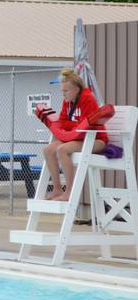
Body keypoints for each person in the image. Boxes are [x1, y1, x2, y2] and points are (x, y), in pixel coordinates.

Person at [43, 69, 108, 201]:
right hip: (77, 137)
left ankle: (69, 191)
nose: (63, 94)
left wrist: (72, 127)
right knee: (48, 149)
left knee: (62, 150)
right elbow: (63, 122)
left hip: (95, 140)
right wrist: (75, 127)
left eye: (66, 91)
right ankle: (56, 189)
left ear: (76, 90)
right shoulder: (67, 101)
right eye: (62, 91)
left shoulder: (87, 99)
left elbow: (86, 127)